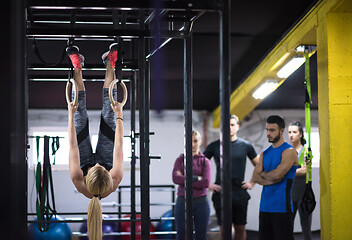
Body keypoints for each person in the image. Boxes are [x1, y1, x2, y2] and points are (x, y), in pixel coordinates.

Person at [67, 44, 124, 240]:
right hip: (109, 156)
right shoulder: (114, 179)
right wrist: (119, 115)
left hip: (81, 159)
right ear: (107, 175)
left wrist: (70, 114)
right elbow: (119, 144)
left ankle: (77, 65)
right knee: (110, 110)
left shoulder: (78, 179)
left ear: (88, 175)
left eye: (96, 167)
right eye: (101, 167)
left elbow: (73, 144)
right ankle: (110, 62)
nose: (97, 163)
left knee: (79, 113)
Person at [203, 115, 259, 240]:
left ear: (237, 127)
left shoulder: (246, 146)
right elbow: (198, 165)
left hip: (239, 194)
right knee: (224, 230)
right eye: (226, 125)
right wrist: (208, 184)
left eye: (232, 125)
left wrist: (252, 182)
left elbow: (260, 166)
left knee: (240, 228)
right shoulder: (214, 146)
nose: (229, 127)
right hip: (221, 194)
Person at [242, 115, 298, 240]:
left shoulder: (289, 152)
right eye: (267, 130)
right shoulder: (264, 153)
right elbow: (255, 176)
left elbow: (278, 174)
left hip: (282, 208)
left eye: (272, 130)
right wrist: (268, 178)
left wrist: (263, 174)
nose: (268, 133)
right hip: (265, 207)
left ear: (282, 131)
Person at [172, 130, 211, 240]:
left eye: (195, 141)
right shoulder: (180, 160)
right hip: (182, 202)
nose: (192, 144)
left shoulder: (205, 161)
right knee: (181, 236)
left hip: (201, 203)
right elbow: (175, 178)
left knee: (201, 237)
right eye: (190, 141)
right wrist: (196, 178)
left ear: (200, 142)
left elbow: (206, 182)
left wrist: (184, 179)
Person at [288, 121, 312, 240]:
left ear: (301, 134)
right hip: (289, 193)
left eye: (294, 132)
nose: (291, 135)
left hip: (303, 193)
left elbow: (305, 171)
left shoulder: (306, 151)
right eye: (289, 132)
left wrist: (287, 172)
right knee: (287, 227)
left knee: (306, 227)